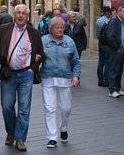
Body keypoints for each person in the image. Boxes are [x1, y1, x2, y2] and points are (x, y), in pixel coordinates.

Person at [0, 4, 44, 153]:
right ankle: (11, 132)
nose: (20, 16)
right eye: (18, 13)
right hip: (9, 73)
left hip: (26, 74)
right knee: (7, 106)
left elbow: (40, 52)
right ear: (14, 15)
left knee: (24, 109)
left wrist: (34, 67)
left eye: (23, 13)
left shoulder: (34, 33)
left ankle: (20, 139)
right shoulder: (5, 29)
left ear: (27, 16)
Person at [40, 17, 81, 149]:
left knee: (66, 108)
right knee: (50, 109)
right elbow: (36, 55)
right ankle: (52, 137)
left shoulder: (69, 41)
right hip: (48, 77)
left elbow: (76, 60)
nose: (60, 30)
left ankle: (63, 127)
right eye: (57, 27)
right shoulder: (44, 41)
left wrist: (76, 76)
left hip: (65, 78)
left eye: (62, 27)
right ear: (51, 29)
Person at [106, 5, 124, 98]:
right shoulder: (114, 22)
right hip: (116, 50)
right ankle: (112, 90)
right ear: (118, 12)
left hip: (122, 48)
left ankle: (118, 88)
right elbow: (111, 37)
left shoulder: (122, 22)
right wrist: (116, 48)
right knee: (114, 69)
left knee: (119, 70)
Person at [95, 6, 112, 87]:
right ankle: (106, 80)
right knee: (108, 62)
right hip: (107, 44)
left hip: (100, 43)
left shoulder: (98, 20)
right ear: (107, 13)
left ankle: (100, 80)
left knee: (101, 62)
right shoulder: (109, 21)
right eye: (110, 13)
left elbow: (97, 34)